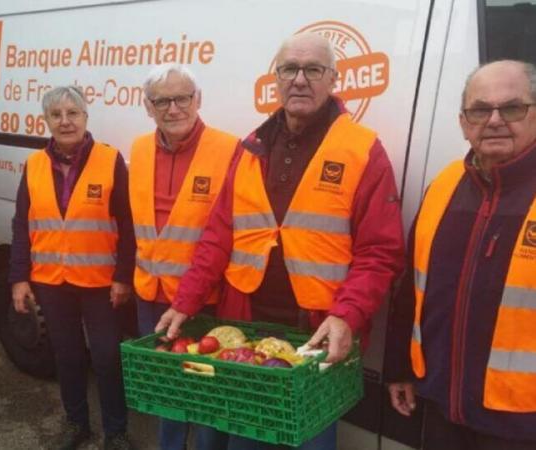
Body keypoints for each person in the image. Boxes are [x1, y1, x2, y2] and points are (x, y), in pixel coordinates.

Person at [155, 33, 405, 449]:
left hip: (315, 338)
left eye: (313, 70)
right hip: (245, 331)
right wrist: (186, 300)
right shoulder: (251, 147)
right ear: (276, 78)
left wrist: (348, 314)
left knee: (308, 439)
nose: (300, 80)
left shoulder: (362, 150)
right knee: (246, 437)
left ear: (333, 79)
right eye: (289, 69)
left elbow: (380, 252)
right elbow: (218, 237)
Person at [386, 60, 536, 450]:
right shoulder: (445, 185)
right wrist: (398, 368)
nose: (495, 120)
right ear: (463, 122)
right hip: (441, 408)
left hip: (523, 423)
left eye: (513, 108)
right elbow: (411, 289)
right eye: (480, 109)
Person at [9, 86, 135, 450]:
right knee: (66, 355)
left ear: (85, 117)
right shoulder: (33, 165)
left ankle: (116, 431)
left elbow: (128, 225)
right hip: (51, 281)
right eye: (56, 115)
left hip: (100, 282)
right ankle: (76, 422)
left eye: (73, 113)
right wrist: (19, 278)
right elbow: (22, 224)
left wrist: (123, 276)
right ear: (46, 121)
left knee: (108, 356)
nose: (65, 121)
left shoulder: (110, 160)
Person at [129, 63, 239, 450]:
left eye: (182, 98)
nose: (173, 109)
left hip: (205, 300)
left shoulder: (230, 150)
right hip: (151, 295)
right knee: (167, 389)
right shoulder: (139, 149)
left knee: (207, 387)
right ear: (148, 106)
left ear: (198, 99)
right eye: (162, 101)